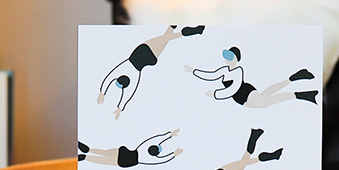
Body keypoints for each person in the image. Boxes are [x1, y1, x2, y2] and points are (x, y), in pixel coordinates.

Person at [99, 25, 205, 119]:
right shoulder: (125, 67)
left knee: (166, 38)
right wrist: (104, 93)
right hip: (144, 49)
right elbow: (111, 78)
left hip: (151, 58)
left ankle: (177, 28)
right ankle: (185, 32)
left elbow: (128, 93)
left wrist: (118, 106)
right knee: (167, 38)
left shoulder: (135, 75)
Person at [184, 46, 317, 108]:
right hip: (238, 99)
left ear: (236, 58)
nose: (227, 59)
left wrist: (217, 94)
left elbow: (234, 87)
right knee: (264, 99)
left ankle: (298, 94)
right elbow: (211, 75)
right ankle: (295, 80)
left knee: (265, 103)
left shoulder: (238, 71)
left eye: (230, 56)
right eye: (226, 56)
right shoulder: (224, 70)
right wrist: (194, 71)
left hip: (244, 92)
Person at [78, 129, 182, 166]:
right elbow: (162, 159)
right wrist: (173, 154)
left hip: (125, 153)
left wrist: (169, 135)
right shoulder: (148, 159)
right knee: (103, 160)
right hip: (127, 161)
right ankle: (86, 157)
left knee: (105, 153)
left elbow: (154, 139)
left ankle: (89, 150)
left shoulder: (143, 147)